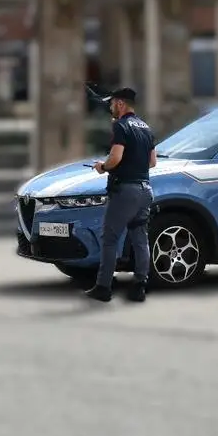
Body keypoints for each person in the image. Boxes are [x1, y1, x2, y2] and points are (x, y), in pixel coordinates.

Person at [87, 87, 156, 303]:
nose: (109, 108)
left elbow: (115, 158)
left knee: (110, 238)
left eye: (111, 104)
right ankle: (139, 287)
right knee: (140, 238)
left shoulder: (121, 126)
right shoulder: (146, 127)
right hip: (145, 189)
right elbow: (152, 162)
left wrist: (103, 166)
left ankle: (103, 287)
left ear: (119, 104)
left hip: (125, 191)